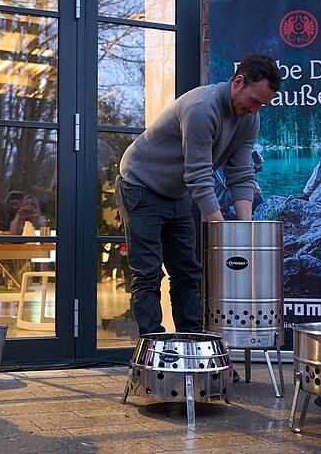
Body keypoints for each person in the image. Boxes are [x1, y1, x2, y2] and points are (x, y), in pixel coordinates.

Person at [116, 53, 280, 335]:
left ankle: (192, 346)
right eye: (254, 101)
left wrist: (245, 231)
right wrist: (221, 230)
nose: (255, 110)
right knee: (148, 273)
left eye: (262, 105)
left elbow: (241, 173)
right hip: (141, 185)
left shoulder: (250, 120)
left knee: (187, 272)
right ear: (238, 82)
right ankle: (155, 352)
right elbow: (199, 175)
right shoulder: (202, 108)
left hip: (178, 190)